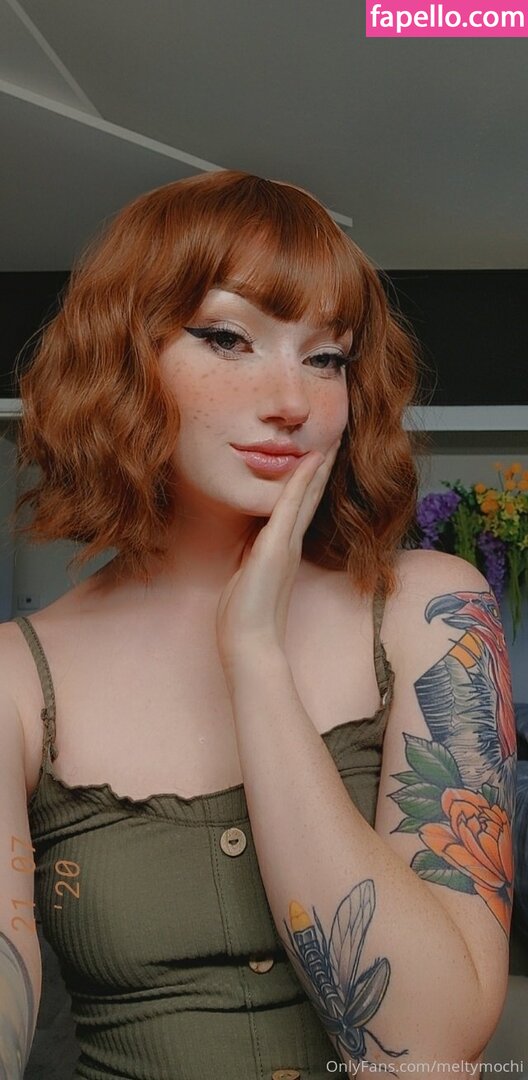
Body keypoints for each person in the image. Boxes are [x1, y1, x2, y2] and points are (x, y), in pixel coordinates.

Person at [0, 170, 516, 1080]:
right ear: (124, 355)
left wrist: (255, 657)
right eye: (229, 338)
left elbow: (428, 1049)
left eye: (327, 357)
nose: (293, 401)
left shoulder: (432, 612)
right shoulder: (15, 679)